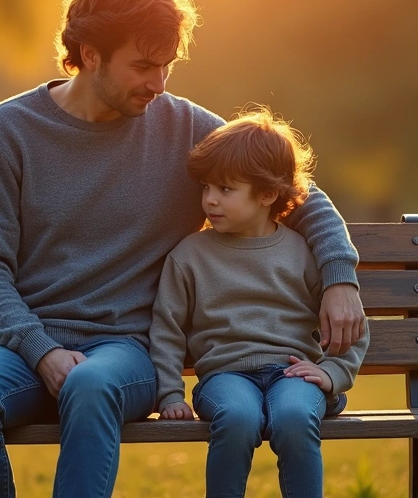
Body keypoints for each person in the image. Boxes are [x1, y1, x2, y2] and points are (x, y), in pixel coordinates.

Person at [0, 0, 367, 498]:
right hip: (19, 347)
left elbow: (295, 192)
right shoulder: (9, 130)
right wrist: (41, 350)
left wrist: (339, 277)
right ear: (90, 53)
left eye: (167, 66)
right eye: (143, 66)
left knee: (91, 384)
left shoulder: (184, 127)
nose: (158, 84)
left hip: (124, 352)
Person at [148, 108, 370, 498]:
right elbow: (166, 329)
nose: (210, 200)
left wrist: (333, 373)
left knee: (295, 418)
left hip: (293, 375)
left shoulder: (303, 253)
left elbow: (353, 326)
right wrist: (169, 393)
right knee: (237, 418)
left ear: (267, 194)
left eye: (225, 189)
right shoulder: (189, 256)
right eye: (206, 187)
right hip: (225, 377)